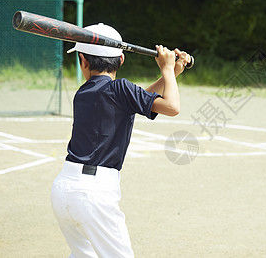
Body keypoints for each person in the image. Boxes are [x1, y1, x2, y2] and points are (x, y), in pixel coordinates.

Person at [50, 23, 191, 258]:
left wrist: (171, 74)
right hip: (94, 193)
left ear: (83, 61)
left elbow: (138, 100)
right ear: (121, 60)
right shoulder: (119, 90)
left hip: (64, 189)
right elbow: (172, 107)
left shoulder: (85, 92)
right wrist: (166, 69)